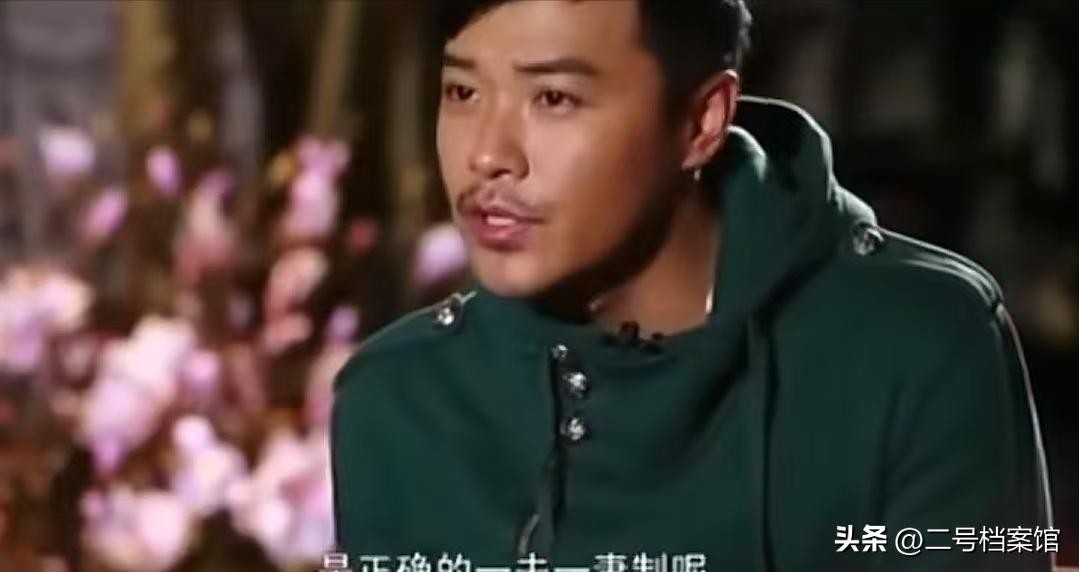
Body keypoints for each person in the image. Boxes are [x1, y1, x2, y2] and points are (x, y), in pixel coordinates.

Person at [331, 1, 1054, 570]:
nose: (487, 154)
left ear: (701, 120)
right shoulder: (395, 400)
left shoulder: (915, 345)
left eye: (552, 98)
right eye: (461, 90)